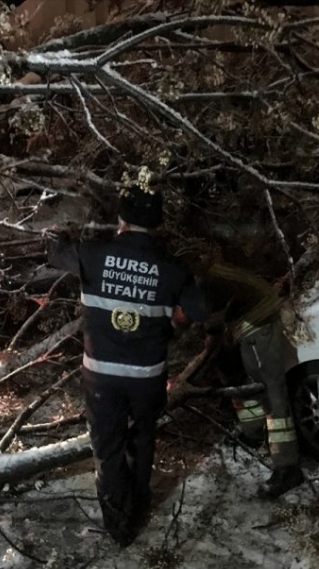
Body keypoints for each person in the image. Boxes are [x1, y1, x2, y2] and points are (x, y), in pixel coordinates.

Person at [46, 185, 206, 547]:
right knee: (142, 436)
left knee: (109, 445)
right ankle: (140, 500)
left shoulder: (93, 253)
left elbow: (54, 252)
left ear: (121, 219)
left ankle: (120, 524)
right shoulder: (173, 267)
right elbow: (197, 310)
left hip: (102, 375)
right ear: (158, 224)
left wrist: (63, 232)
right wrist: (172, 325)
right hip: (147, 376)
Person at [200, 260, 305, 500]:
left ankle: (288, 467)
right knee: (240, 378)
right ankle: (253, 430)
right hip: (246, 322)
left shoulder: (203, 285)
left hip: (260, 324)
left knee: (272, 396)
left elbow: (209, 327)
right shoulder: (208, 275)